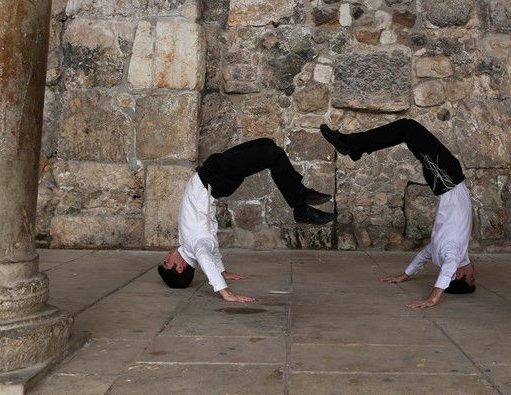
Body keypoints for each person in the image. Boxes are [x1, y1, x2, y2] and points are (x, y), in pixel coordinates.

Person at [320, 119, 477, 309]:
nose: (474, 272)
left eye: (471, 277)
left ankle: (352, 145)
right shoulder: (445, 253)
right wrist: (404, 275)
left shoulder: (450, 253)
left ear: (459, 275)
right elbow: (422, 257)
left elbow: (447, 270)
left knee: (407, 128)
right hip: (447, 180)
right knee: (406, 131)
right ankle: (354, 147)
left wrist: (432, 298)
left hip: (448, 180)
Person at [157, 137, 335, 302]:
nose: (167, 257)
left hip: (213, 170)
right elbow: (205, 258)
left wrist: (222, 271)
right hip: (216, 176)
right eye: (167, 262)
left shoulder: (187, 246)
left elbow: (211, 255)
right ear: (179, 268)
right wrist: (225, 292)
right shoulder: (197, 245)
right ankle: (300, 205)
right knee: (274, 155)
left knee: (268, 143)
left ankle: (300, 196)